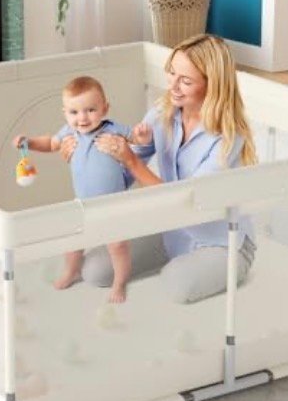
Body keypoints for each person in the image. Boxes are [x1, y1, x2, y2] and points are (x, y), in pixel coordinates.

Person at [66, 34, 257, 304]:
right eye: (171, 73)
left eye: (185, 81)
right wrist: (83, 156)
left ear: (212, 85)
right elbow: (124, 173)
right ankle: (176, 259)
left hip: (221, 241)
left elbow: (187, 202)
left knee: (175, 284)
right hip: (171, 229)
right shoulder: (163, 112)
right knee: (95, 270)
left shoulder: (228, 137)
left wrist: (131, 161)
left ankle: (213, 266)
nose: (173, 86)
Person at [13, 75, 151, 303]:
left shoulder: (112, 129)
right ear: (65, 113)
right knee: (73, 242)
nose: (82, 118)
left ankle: (119, 282)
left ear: (105, 108)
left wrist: (142, 137)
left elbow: (134, 139)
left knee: (117, 246)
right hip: (82, 202)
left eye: (90, 110)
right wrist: (29, 143)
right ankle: (72, 270)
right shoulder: (68, 133)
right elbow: (50, 143)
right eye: (74, 112)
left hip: (113, 203)